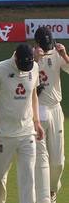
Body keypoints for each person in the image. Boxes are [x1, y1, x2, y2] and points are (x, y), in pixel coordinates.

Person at [0, 44, 44, 203]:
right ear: (16, 58)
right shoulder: (1, 68)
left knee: (28, 179)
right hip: (4, 135)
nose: (26, 69)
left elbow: (34, 96)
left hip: (27, 133)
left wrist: (37, 122)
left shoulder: (34, 68)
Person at [33, 27, 69, 203]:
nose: (47, 49)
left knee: (58, 161)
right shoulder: (29, 56)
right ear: (37, 43)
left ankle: (53, 188)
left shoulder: (57, 53)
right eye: (44, 46)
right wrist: (34, 60)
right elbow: (19, 76)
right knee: (41, 158)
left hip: (55, 109)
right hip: (37, 110)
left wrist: (64, 55)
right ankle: (45, 196)